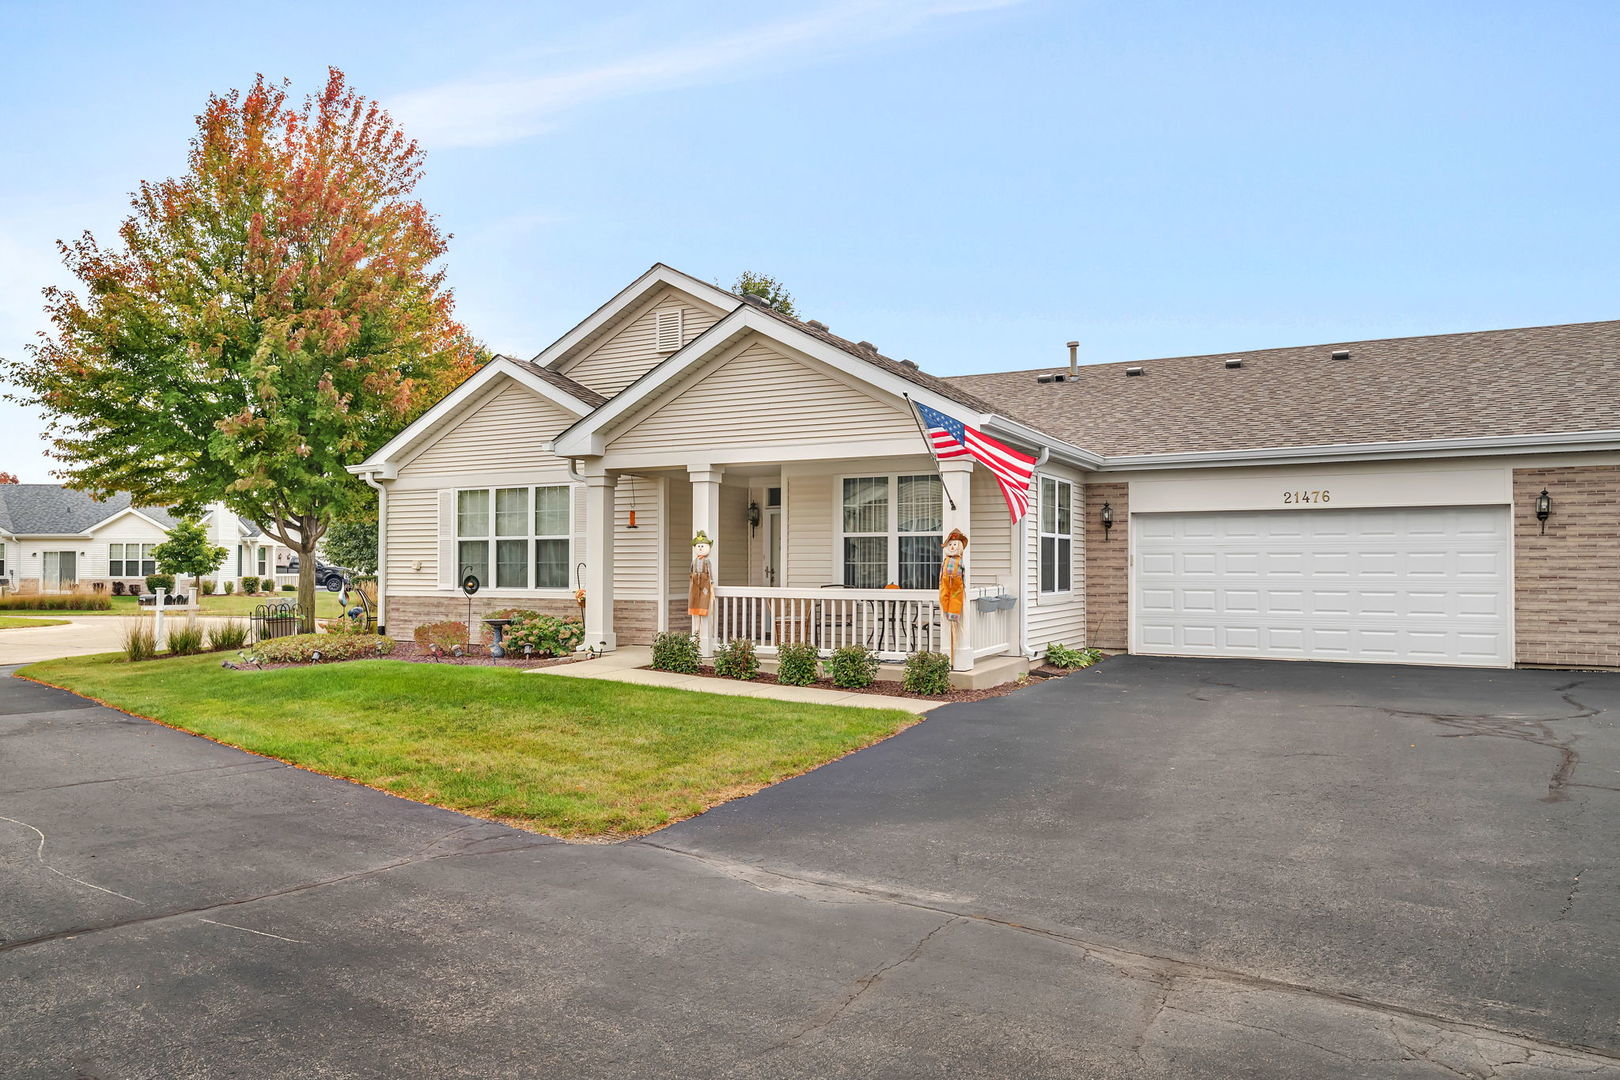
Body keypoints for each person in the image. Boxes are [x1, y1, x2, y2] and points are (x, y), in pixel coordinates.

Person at [939, 528, 967, 622]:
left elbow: (963, 572)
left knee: (955, 598)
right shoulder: (945, 560)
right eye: (950, 544)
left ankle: (953, 616)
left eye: (954, 545)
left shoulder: (959, 560)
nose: (952, 547)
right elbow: (942, 570)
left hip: (956, 582)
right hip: (945, 581)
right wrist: (940, 580)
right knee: (944, 596)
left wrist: (964, 583)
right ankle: (946, 612)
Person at [688, 531, 714, 618]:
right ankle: (695, 612)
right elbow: (691, 569)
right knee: (694, 595)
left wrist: (711, 580)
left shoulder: (706, 561)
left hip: (704, 579)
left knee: (704, 594)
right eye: (698, 546)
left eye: (702, 546)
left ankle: (703, 611)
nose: (700, 548)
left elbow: (710, 570)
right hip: (695, 579)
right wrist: (691, 577)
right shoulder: (694, 561)